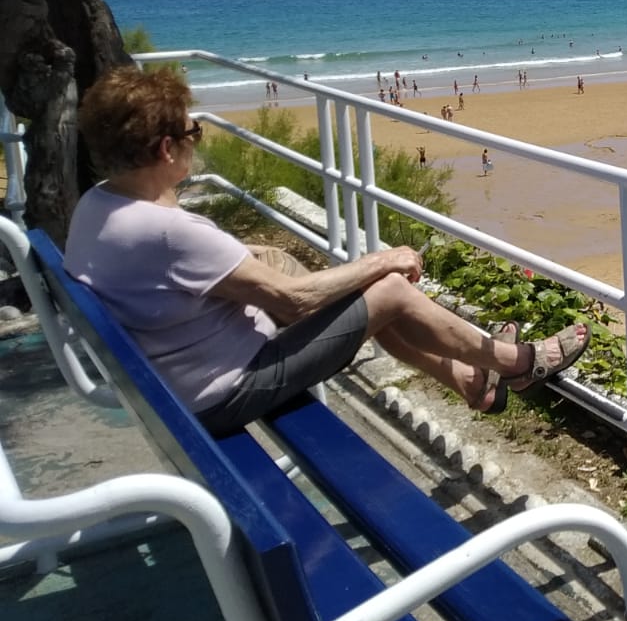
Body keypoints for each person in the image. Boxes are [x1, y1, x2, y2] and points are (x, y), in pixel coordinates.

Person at [64, 66, 588, 435]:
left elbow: (180, 273)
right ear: (165, 148)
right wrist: (384, 258)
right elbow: (292, 304)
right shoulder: (167, 230)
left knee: (341, 287)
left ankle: (468, 381)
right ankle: (517, 363)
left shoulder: (98, 205)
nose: (196, 140)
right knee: (389, 291)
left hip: (170, 382)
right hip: (223, 392)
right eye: (191, 132)